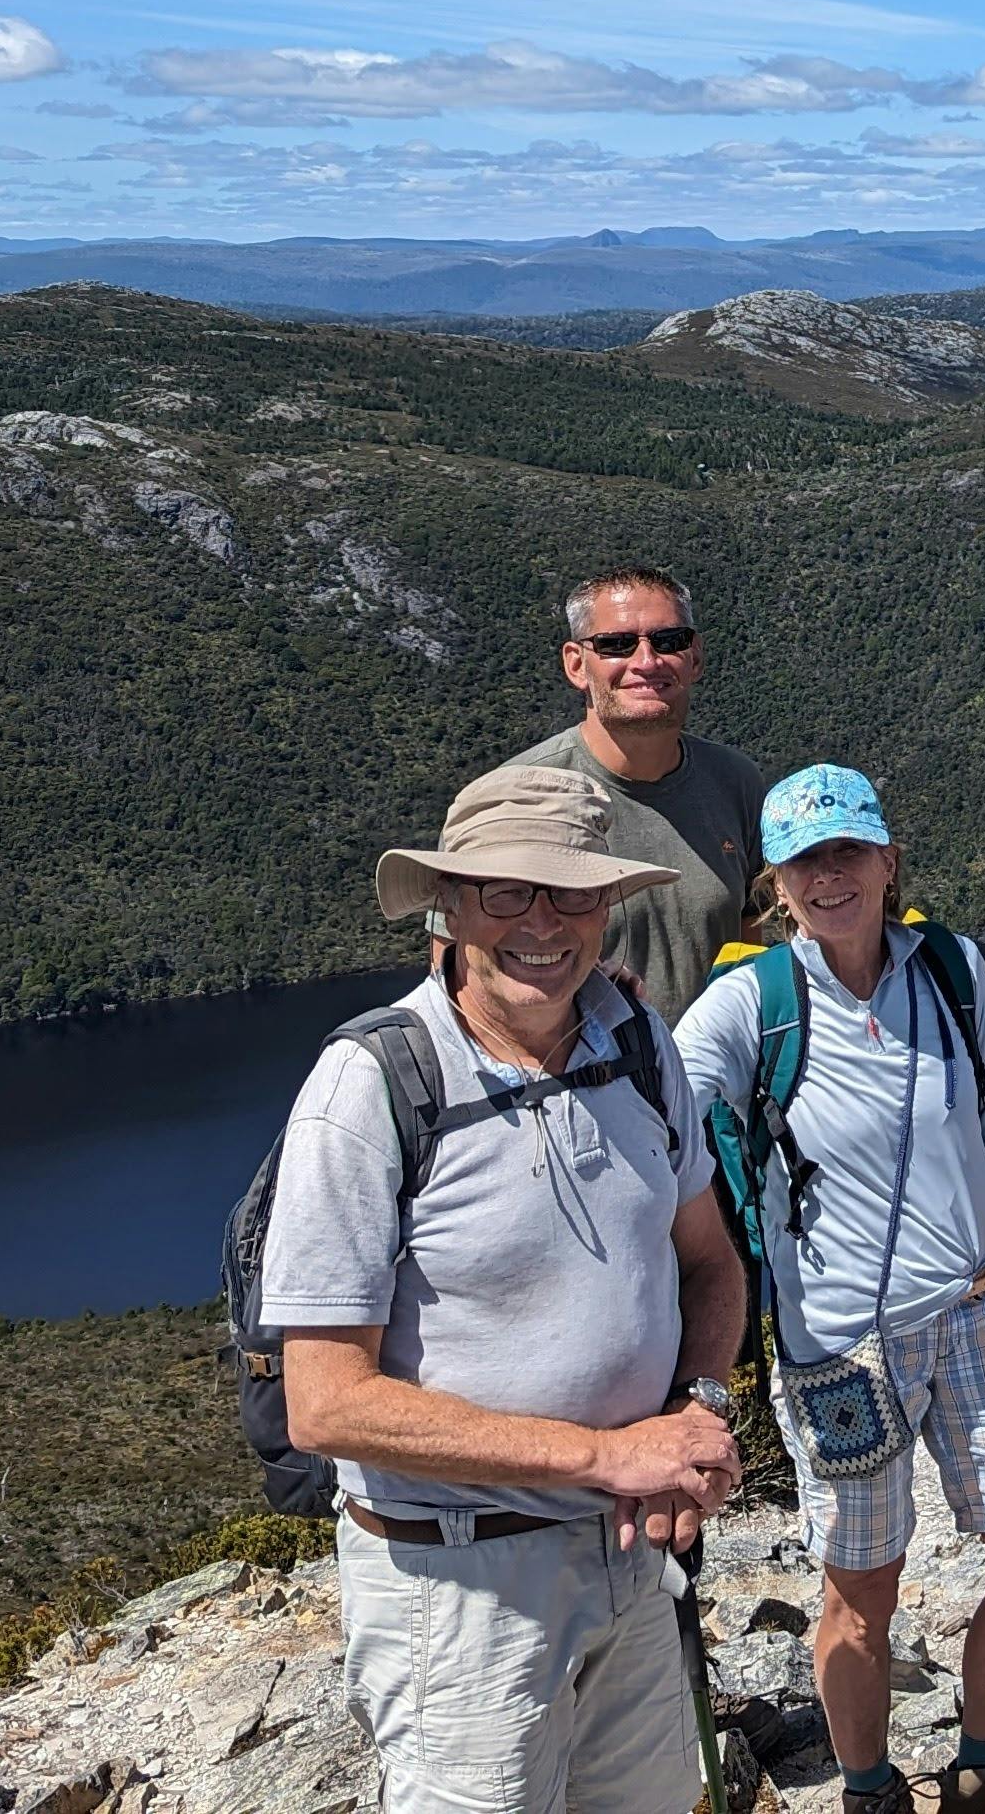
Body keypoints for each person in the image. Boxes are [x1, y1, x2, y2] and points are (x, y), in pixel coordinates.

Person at [260, 764, 747, 1814]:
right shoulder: (374, 1088)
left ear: (609, 906)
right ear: (451, 906)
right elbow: (326, 1402)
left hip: (629, 1557)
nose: (543, 923)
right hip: (459, 1589)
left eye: (572, 893)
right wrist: (608, 1456)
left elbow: (709, 1261)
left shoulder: (638, 1046)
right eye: (507, 893)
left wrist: (698, 1409)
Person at [678, 766, 985, 1814]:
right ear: (776, 884)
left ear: (890, 860)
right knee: (866, 1593)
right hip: (842, 1352)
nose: (832, 875)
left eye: (849, 850)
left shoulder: (949, 970)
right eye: (807, 860)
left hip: (983, 1313)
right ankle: (868, 1786)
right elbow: (663, 1108)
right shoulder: (752, 1007)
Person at [503, 567, 769, 1021]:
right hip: (585, 1080)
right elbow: (457, 966)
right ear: (575, 664)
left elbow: (753, 933)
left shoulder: (737, 782)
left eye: (668, 641)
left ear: (695, 657)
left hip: (723, 1079)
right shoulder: (517, 796)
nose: (647, 661)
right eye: (615, 644)